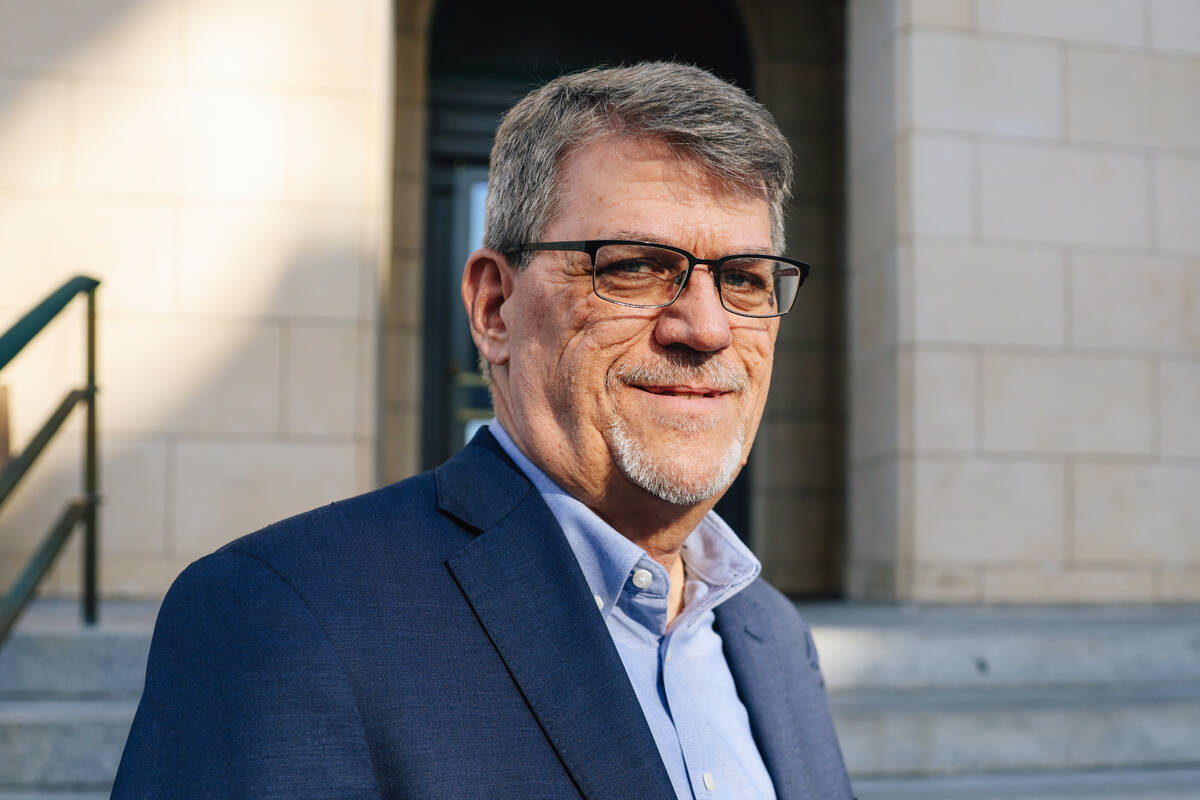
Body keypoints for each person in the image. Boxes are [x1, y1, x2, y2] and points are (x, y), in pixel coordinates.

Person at [113, 62, 852, 800]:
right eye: (634, 268)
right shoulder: (285, 617)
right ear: (495, 308)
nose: (708, 327)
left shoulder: (770, 637)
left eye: (747, 279)